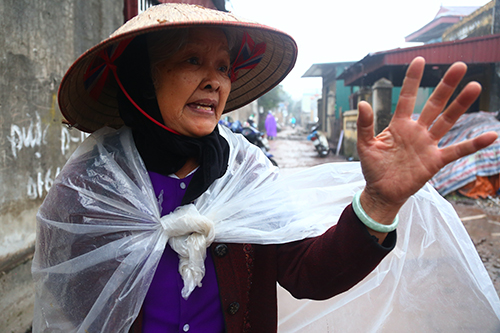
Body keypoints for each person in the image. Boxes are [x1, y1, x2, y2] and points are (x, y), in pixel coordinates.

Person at [32, 4, 498, 333]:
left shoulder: (246, 173)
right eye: (192, 60)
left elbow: (307, 272)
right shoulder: (91, 188)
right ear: (141, 78)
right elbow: (76, 302)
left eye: (224, 66)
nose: (215, 80)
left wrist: (379, 201)